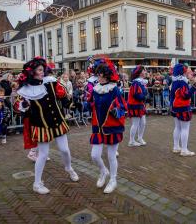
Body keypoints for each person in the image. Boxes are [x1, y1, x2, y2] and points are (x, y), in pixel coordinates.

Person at [16, 57, 79, 195]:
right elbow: (19, 107)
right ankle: (37, 183)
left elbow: (63, 96)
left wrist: (72, 105)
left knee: (65, 150)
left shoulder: (51, 82)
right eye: (39, 70)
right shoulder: (25, 90)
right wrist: (24, 106)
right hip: (40, 125)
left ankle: (68, 168)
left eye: (42, 69)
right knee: (43, 155)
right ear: (32, 72)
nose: (42, 72)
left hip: (57, 121)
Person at [89, 59, 127, 193]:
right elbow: (92, 106)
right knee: (94, 155)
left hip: (111, 127)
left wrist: (115, 110)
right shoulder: (95, 89)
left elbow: (122, 108)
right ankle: (103, 171)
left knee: (111, 156)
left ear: (107, 74)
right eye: (98, 73)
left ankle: (113, 180)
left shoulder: (114, 90)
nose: (99, 76)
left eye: (101, 73)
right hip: (98, 127)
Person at [170, 64, 196, 156]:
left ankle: (176, 147)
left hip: (175, 106)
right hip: (182, 106)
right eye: (189, 72)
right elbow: (186, 95)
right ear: (184, 72)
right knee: (185, 129)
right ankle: (184, 150)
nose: (191, 74)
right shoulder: (182, 82)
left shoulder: (175, 81)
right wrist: (194, 87)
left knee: (177, 127)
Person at [127, 65, 148, 146]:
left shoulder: (141, 82)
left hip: (139, 105)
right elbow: (137, 95)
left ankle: (139, 138)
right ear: (140, 72)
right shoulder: (136, 83)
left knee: (143, 123)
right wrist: (145, 94)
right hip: (134, 105)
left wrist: (144, 94)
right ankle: (131, 141)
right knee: (135, 123)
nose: (145, 72)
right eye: (144, 70)